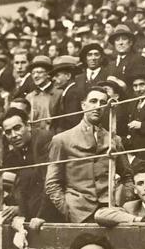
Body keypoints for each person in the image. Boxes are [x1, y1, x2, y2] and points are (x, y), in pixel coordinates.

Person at [45, 87, 133, 223]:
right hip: (79, 214)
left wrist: (123, 202)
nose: (98, 106)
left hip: (110, 210)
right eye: (93, 101)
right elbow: (52, 183)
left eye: (103, 103)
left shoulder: (114, 140)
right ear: (83, 105)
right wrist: (67, 210)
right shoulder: (62, 140)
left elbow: (127, 176)